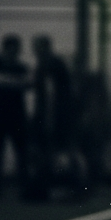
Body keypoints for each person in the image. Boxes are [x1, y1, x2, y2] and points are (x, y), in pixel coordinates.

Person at [27, 35, 75, 199]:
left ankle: (55, 186)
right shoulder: (48, 65)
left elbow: (51, 95)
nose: (36, 51)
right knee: (53, 152)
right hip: (52, 116)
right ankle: (55, 187)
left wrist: (47, 119)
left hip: (53, 117)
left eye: (38, 48)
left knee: (53, 151)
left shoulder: (49, 66)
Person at [0, 34, 30, 197]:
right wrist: (16, 83)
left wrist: (9, 82)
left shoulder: (19, 67)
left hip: (15, 115)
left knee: (21, 152)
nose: (14, 52)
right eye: (12, 49)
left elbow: (24, 84)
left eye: (16, 50)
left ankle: (23, 187)